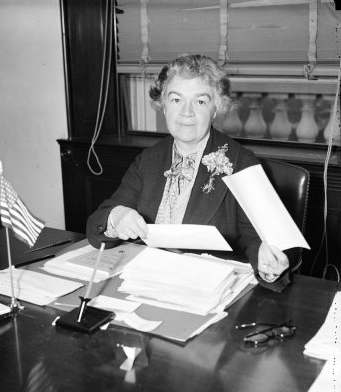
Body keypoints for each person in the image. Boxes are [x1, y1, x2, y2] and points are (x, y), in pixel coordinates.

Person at [86, 54, 294, 291]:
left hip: (210, 290)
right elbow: (97, 224)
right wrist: (117, 216)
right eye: (176, 100)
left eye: (200, 102)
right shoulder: (149, 160)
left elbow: (255, 239)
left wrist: (267, 263)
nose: (186, 112)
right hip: (148, 283)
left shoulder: (240, 161)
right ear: (162, 105)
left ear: (217, 108)